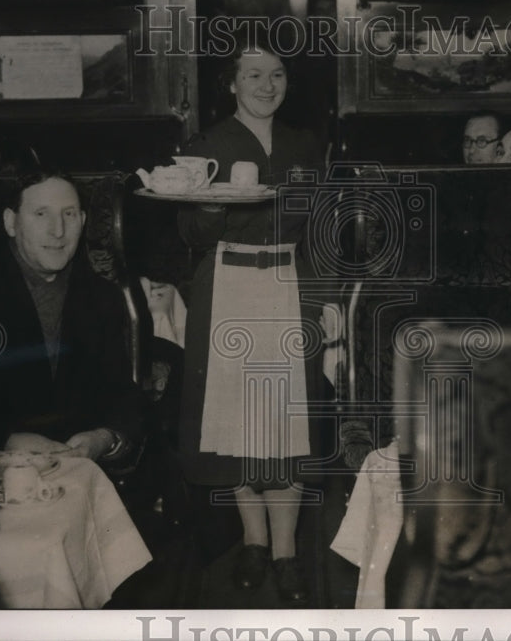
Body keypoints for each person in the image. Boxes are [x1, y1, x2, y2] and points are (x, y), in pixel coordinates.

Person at [176, 37, 325, 605]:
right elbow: (189, 237)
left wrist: (325, 297)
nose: (267, 86)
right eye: (254, 76)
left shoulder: (303, 144)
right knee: (238, 423)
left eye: (277, 75)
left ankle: (286, 551)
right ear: (232, 84)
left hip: (288, 284)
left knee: (283, 424)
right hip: (227, 287)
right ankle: (254, 540)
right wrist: (211, 205)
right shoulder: (206, 145)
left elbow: (320, 231)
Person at [0, 168, 143, 462]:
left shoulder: (102, 296)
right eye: (41, 214)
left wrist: (105, 438)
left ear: (84, 221)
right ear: (11, 223)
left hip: (77, 466)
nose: (58, 231)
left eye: (69, 214)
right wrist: (7, 440)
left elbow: (121, 393)